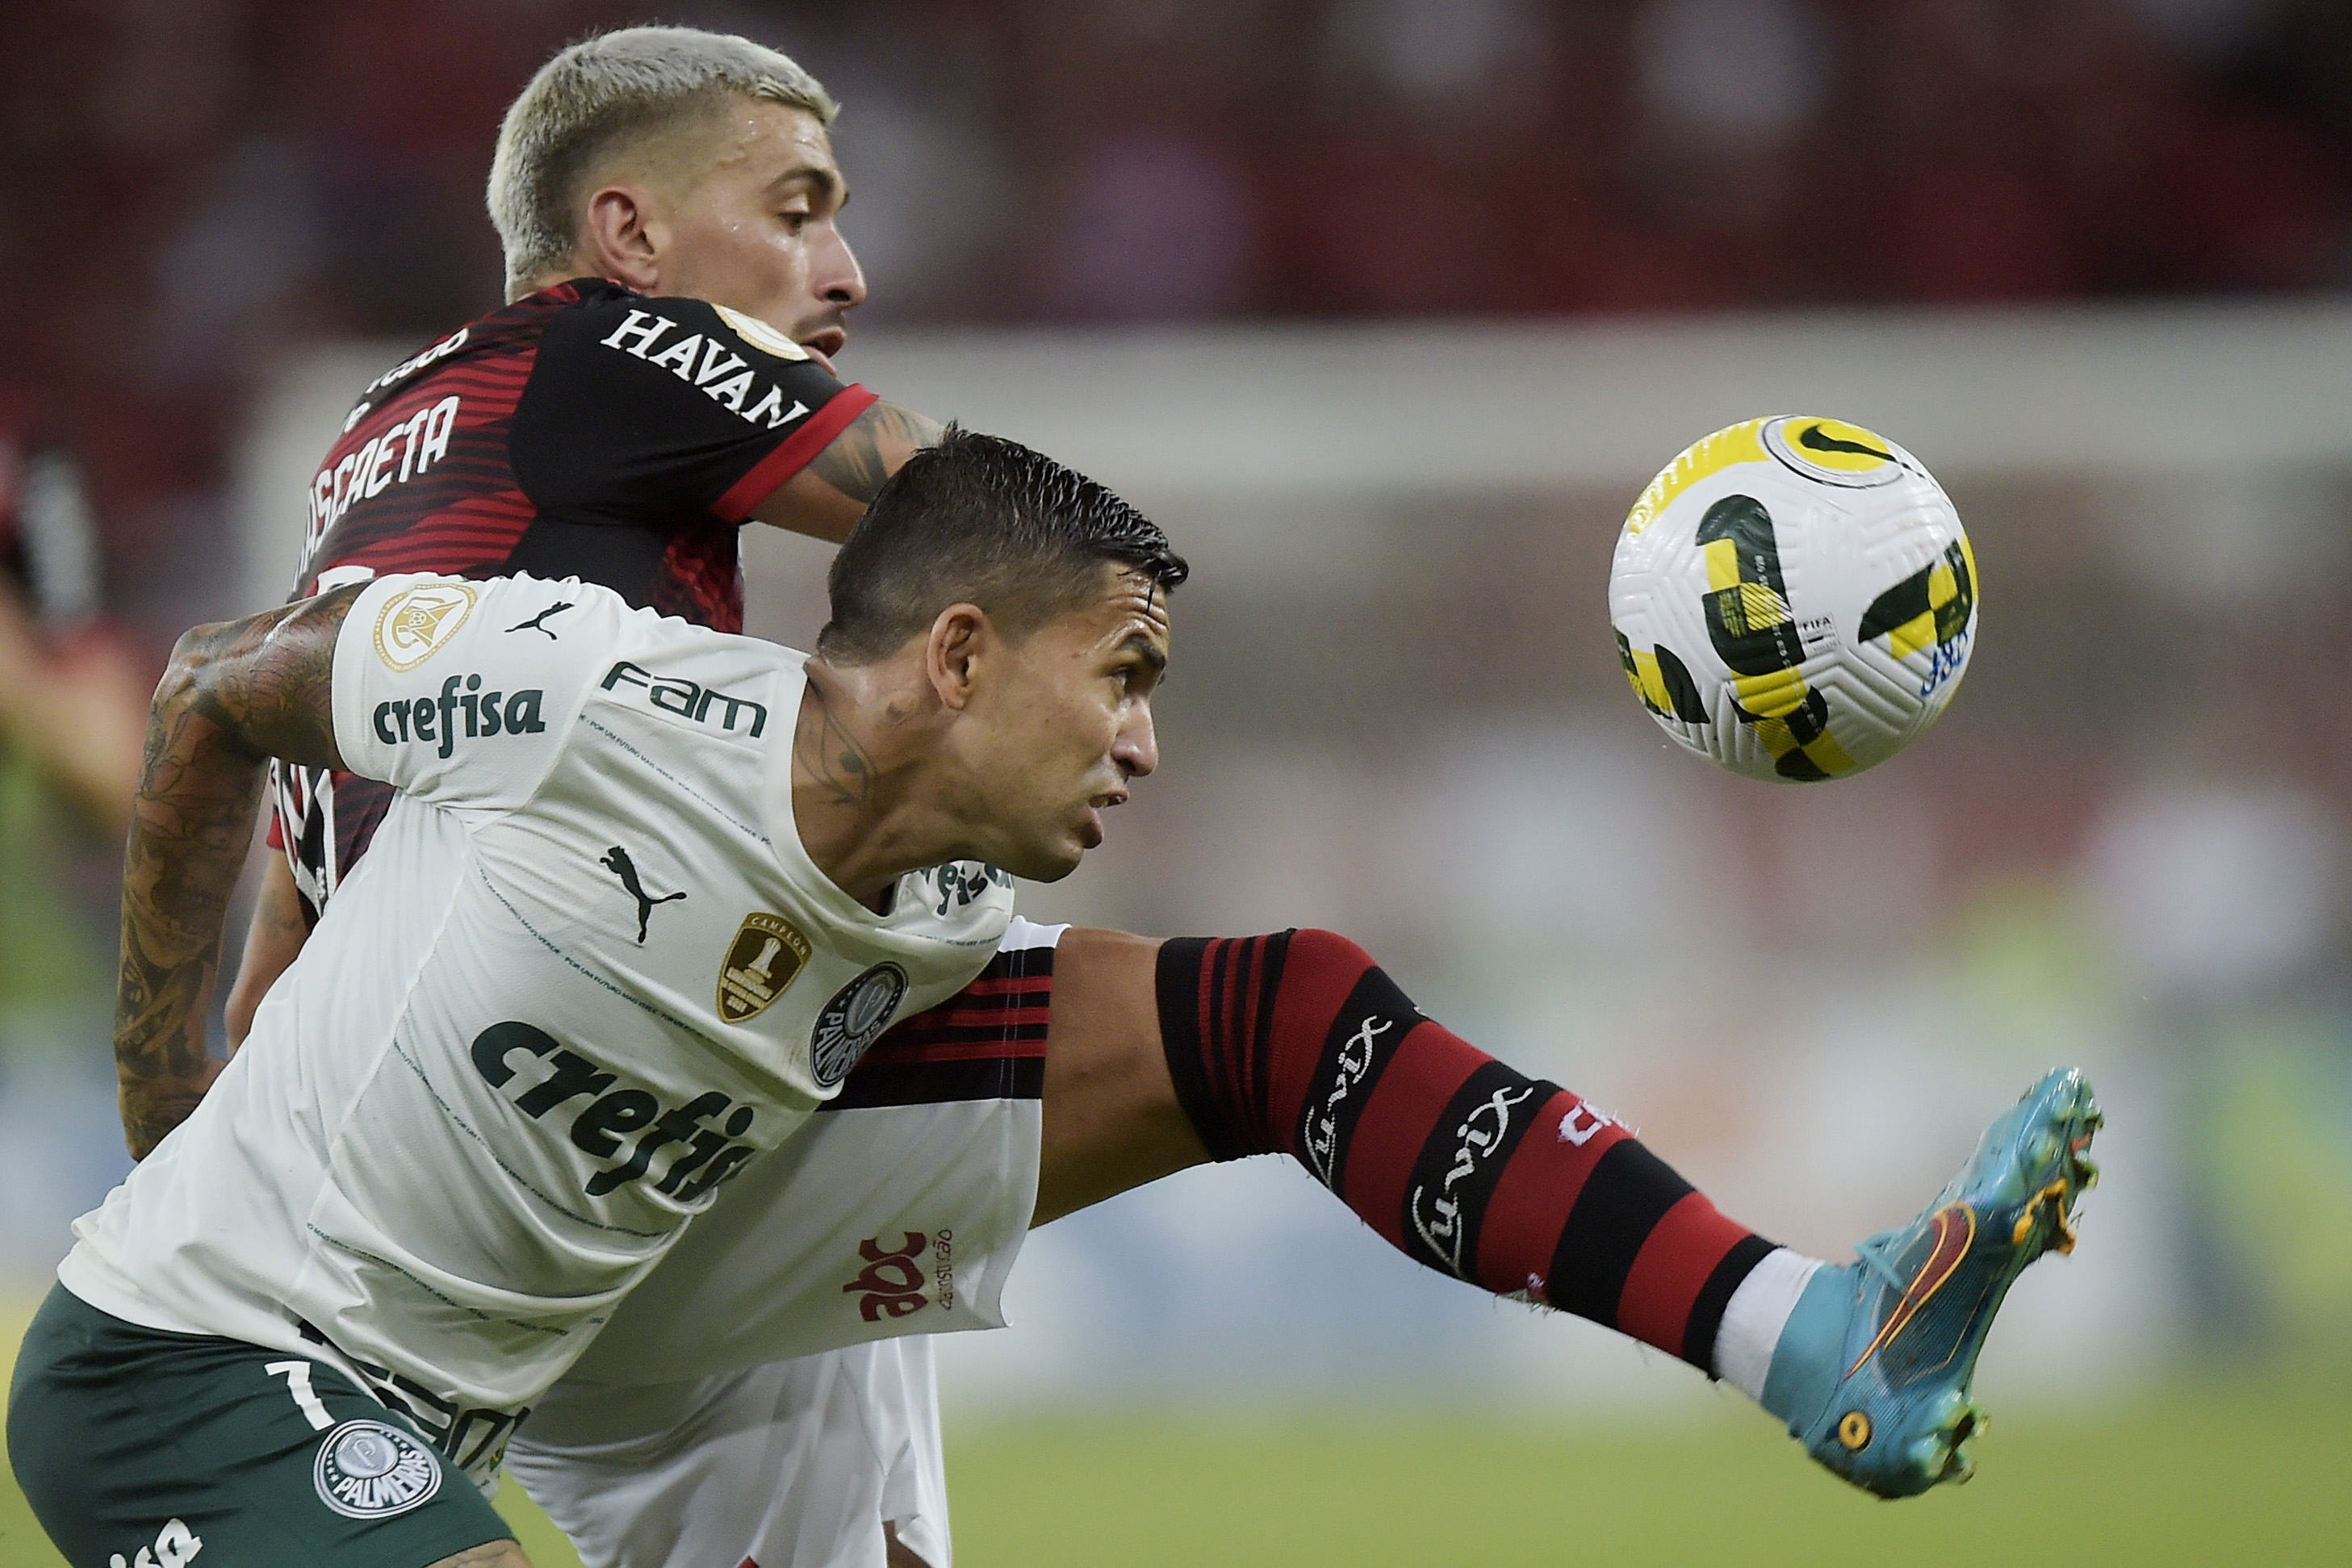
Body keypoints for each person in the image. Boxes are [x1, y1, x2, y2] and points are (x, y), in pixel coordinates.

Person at [191, 27, 2105, 1568]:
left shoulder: (365, 489)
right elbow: (986, 519)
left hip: (467, 1194)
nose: (843, 270)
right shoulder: (604, 344)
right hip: (623, 1100)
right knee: (1272, 1022)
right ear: (626, 238)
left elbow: (280, 968)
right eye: (792, 212)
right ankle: (1798, 1335)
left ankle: (1811, 1334)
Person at [10, 429, 1182, 1567]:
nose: (1142, 748)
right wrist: (160, 1092)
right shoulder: (583, 686)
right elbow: (212, 684)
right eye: (1121, 680)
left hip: (416, 1438)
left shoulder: (943, 919)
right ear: (961, 655)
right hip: (185, 1362)